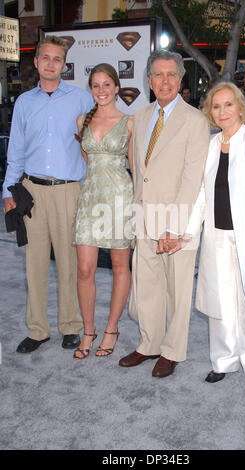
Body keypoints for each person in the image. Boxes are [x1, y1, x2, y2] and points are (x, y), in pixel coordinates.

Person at [165, 82, 245, 400]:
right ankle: (223, 362)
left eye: (228, 105)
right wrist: (187, 233)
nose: (222, 111)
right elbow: (201, 195)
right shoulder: (210, 146)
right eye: (216, 106)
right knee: (220, 304)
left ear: (240, 107)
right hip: (217, 237)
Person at [119, 50, 210, 378]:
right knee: (148, 286)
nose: (165, 81)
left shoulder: (195, 121)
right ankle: (149, 343)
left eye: (172, 74)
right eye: (158, 74)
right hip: (144, 216)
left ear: (181, 79)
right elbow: (138, 170)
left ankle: (172, 350)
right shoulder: (140, 117)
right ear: (149, 80)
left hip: (177, 221)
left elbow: (192, 178)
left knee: (177, 288)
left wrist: (175, 226)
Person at [2, 36, 94, 353]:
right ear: (37, 62)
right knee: (34, 264)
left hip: (69, 191)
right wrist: (7, 191)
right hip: (31, 192)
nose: (51, 63)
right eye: (46, 58)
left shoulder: (82, 100)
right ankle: (37, 329)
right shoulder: (24, 103)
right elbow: (15, 153)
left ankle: (70, 326)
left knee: (70, 263)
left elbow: (95, 143)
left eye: (57, 59)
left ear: (64, 66)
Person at [73, 64, 133, 359]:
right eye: (96, 85)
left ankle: (111, 328)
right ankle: (88, 330)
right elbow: (87, 160)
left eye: (107, 84)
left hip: (120, 199)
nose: (101, 90)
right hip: (90, 199)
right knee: (85, 269)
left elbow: (133, 165)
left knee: (121, 267)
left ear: (117, 87)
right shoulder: (82, 120)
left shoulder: (129, 122)